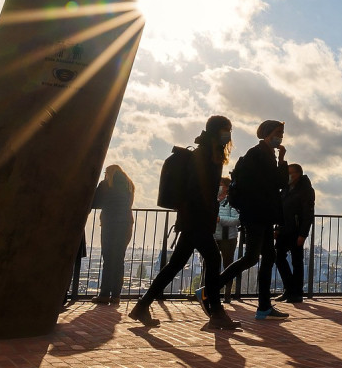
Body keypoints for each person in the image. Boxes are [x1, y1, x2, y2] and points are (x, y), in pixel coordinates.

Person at [129, 116, 238, 329]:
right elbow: (198, 190)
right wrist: (206, 212)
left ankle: (142, 306)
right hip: (197, 219)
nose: (229, 135)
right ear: (217, 131)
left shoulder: (207, 152)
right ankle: (216, 313)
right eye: (227, 130)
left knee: (176, 264)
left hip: (193, 220)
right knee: (213, 260)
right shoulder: (206, 154)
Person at [217, 120, 290, 320]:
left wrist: (280, 160)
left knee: (268, 257)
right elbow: (279, 182)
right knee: (252, 257)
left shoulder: (264, 154)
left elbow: (275, 183)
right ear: (267, 133)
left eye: (282, 132)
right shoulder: (259, 155)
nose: (280, 136)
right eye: (278, 132)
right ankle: (212, 289)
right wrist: (282, 161)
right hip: (257, 214)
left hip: (260, 214)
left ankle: (264, 306)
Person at [91, 164, 134, 304]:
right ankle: (116, 295)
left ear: (108, 173)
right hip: (126, 224)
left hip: (110, 223)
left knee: (108, 259)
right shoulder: (129, 185)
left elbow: (95, 202)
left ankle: (104, 294)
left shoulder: (106, 184)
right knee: (119, 259)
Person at [274, 163, 314, 303]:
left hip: (296, 231)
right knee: (278, 257)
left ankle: (296, 293)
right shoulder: (285, 189)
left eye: (291, 173)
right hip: (283, 229)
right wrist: (277, 228)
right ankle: (289, 288)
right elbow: (280, 209)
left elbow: (308, 214)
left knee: (297, 261)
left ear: (298, 174)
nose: (289, 176)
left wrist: (303, 234)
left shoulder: (306, 190)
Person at [213, 177, 241, 303]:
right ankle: (209, 291)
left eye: (220, 184)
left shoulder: (231, 202)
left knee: (228, 265)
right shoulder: (213, 201)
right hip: (213, 236)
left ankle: (227, 293)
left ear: (226, 187)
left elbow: (237, 220)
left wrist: (220, 220)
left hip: (228, 238)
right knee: (210, 264)